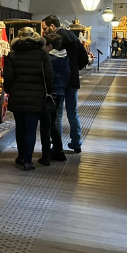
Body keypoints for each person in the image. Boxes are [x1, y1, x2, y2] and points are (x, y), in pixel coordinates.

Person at [4, 27, 52, 170]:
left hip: (18, 96)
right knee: (31, 129)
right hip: (37, 97)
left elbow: (8, 78)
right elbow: (49, 76)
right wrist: (48, 92)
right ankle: (28, 160)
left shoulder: (12, 55)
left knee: (20, 128)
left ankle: (20, 157)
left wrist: (10, 90)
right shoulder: (42, 54)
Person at [42, 15, 87, 153]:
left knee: (57, 115)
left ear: (53, 26)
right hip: (72, 80)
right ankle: (76, 142)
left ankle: (57, 145)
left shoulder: (54, 40)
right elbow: (84, 57)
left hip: (58, 81)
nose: (44, 31)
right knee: (73, 113)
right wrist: (73, 69)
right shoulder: (73, 37)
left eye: (45, 28)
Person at [42, 33, 69, 163]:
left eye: (45, 46)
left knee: (48, 125)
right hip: (60, 92)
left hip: (51, 94)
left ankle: (53, 153)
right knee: (52, 123)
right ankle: (58, 150)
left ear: (50, 46)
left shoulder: (50, 59)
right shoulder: (64, 56)